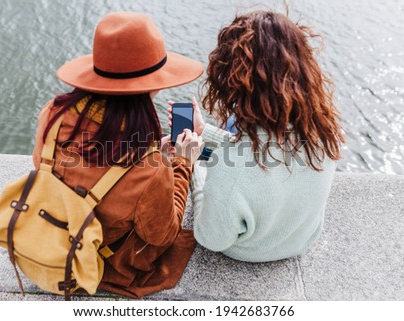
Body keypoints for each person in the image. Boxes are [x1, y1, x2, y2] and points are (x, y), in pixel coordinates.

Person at [32, 12, 203, 298]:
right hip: (102, 257)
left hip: (50, 232)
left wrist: (150, 152)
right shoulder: (148, 168)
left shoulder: (54, 113)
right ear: (150, 84)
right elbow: (162, 235)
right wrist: (182, 161)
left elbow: (49, 166)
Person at [169, 11, 344, 262]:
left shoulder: (233, 166)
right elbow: (264, 151)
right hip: (299, 239)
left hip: (248, 250)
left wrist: (196, 170)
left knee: (204, 162)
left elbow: (210, 237)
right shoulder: (324, 129)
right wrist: (204, 132)